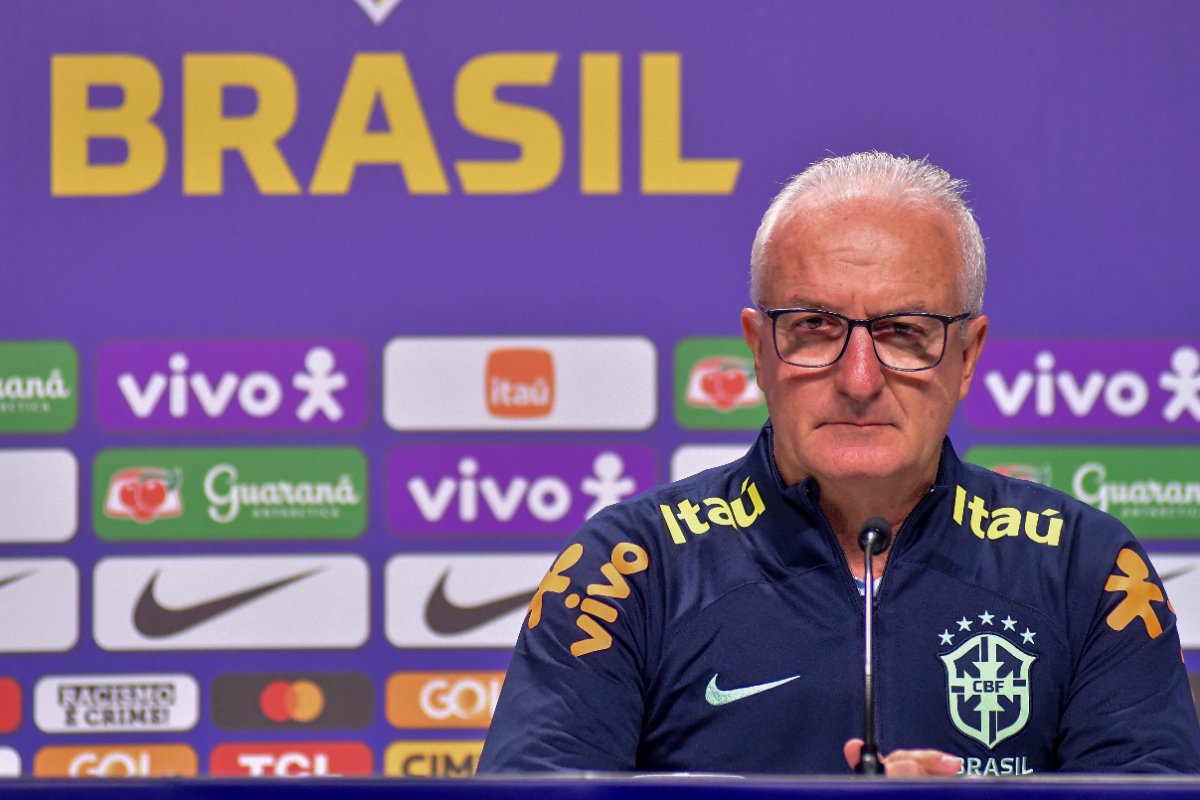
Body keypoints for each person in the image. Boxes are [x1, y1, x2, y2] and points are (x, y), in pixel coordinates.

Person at [477, 152, 1200, 775]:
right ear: (759, 348)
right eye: (815, 328)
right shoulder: (631, 566)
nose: (859, 378)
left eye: (905, 332)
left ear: (969, 354)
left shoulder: (1087, 569)